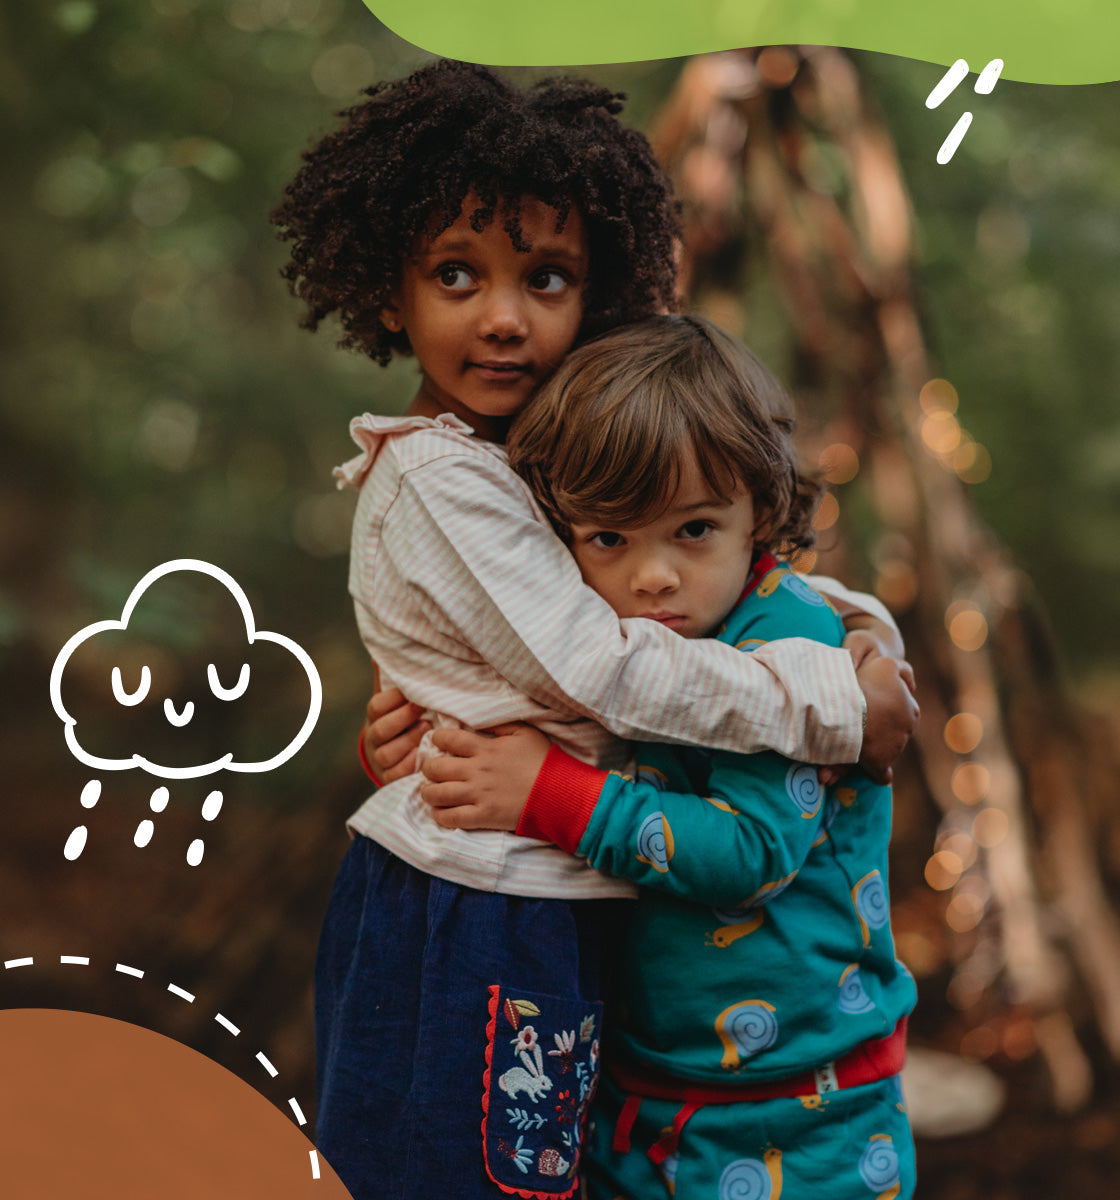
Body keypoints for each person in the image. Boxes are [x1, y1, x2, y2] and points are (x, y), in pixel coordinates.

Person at [271, 60, 918, 1200]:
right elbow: (596, 667)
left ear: (596, 289)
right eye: (456, 275)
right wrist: (832, 697)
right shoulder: (436, 477)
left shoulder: (543, 447)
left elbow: (732, 566)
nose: (506, 316)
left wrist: (858, 631)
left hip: (555, 890)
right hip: (481, 898)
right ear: (389, 290)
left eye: (549, 276)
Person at [419, 316, 918, 1200]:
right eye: (610, 538)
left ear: (758, 512)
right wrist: (415, 732)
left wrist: (549, 794)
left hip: (802, 1109)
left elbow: (748, 856)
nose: (652, 577)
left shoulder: (788, 647)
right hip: (645, 1091)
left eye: (692, 530)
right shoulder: (605, 638)